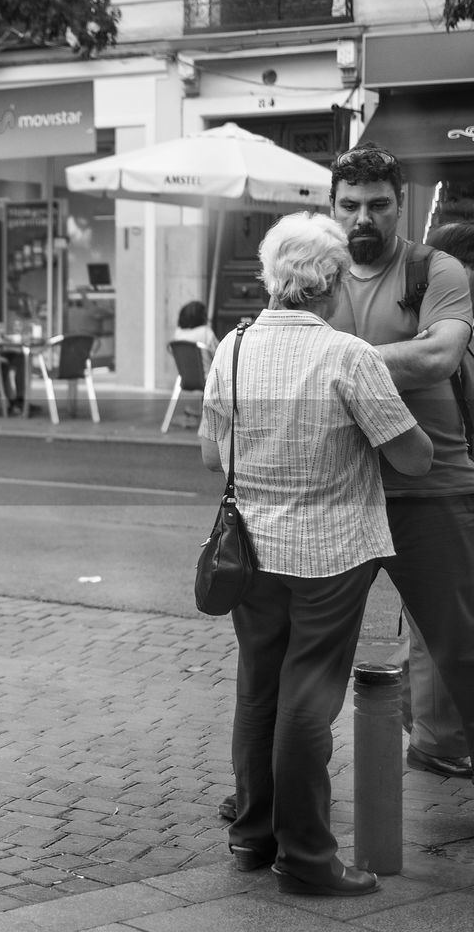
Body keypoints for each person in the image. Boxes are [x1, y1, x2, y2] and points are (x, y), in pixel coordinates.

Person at [200, 211, 432, 896]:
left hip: (249, 553)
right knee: (308, 700)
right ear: (331, 284)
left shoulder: (232, 348)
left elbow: (211, 453)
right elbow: (414, 460)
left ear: (271, 276)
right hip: (332, 553)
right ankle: (306, 858)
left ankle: (252, 835)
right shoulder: (348, 356)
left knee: (258, 690)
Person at [325, 144, 474, 773]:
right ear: (330, 206)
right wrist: (392, 360)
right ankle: (270, 794)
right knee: (309, 654)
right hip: (337, 494)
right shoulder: (313, 275)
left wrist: (334, 365)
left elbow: (439, 357)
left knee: (462, 648)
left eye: (378, 205)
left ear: (401, 205)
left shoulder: (436, 271)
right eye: (350, 205)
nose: (364, 218)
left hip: (432, 490)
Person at [388, 219, 474, 779]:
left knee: (441, 623)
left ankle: (428, 725)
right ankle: (433, 734)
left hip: (446, 486)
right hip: (434, 485)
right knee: (442, 626)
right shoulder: (434, 331)